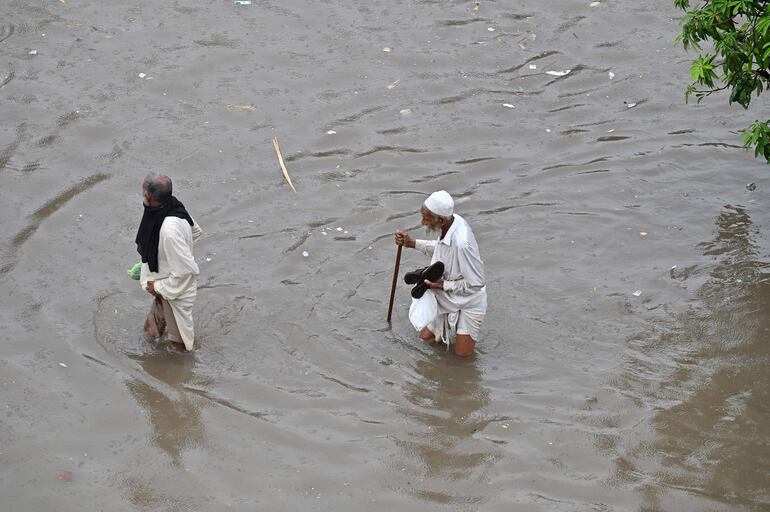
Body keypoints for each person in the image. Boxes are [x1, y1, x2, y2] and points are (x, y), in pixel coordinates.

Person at [395, 190, 487, 357]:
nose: (423, 223)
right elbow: (442, 250)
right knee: (425, 339)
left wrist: (441, 285)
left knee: (462, 358)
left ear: (441, 220)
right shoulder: (451, 223)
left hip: (470, 301)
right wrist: (411, 243)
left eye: (427, 219)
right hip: (447, 295)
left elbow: (476, 283)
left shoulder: (462, 243)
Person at [136, 174, 202, 351]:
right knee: (150, 331)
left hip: (175, 292)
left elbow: (186, 272)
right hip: (163, 286)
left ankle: (180, 376)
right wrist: (155, 259)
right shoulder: (173, 207)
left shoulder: (169, 232)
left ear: (148, 196)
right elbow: (195, 231)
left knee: (180, 347)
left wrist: (158, 287)